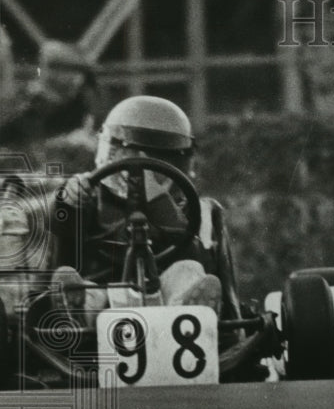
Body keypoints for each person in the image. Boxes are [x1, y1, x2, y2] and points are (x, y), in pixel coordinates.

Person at [47, 96, 240, 322]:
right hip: (105, 292)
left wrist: (156, 195)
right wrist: (67, 199)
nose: (134, 172)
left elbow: (194, 252)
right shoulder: (90, 198)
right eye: (123, 158)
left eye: (150, 164)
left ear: (174, 166)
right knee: (87, 289)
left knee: (188, 270)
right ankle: (77, 309)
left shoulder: (194, 209)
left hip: (167, 300)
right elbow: (62, 233)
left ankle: (193, 310)